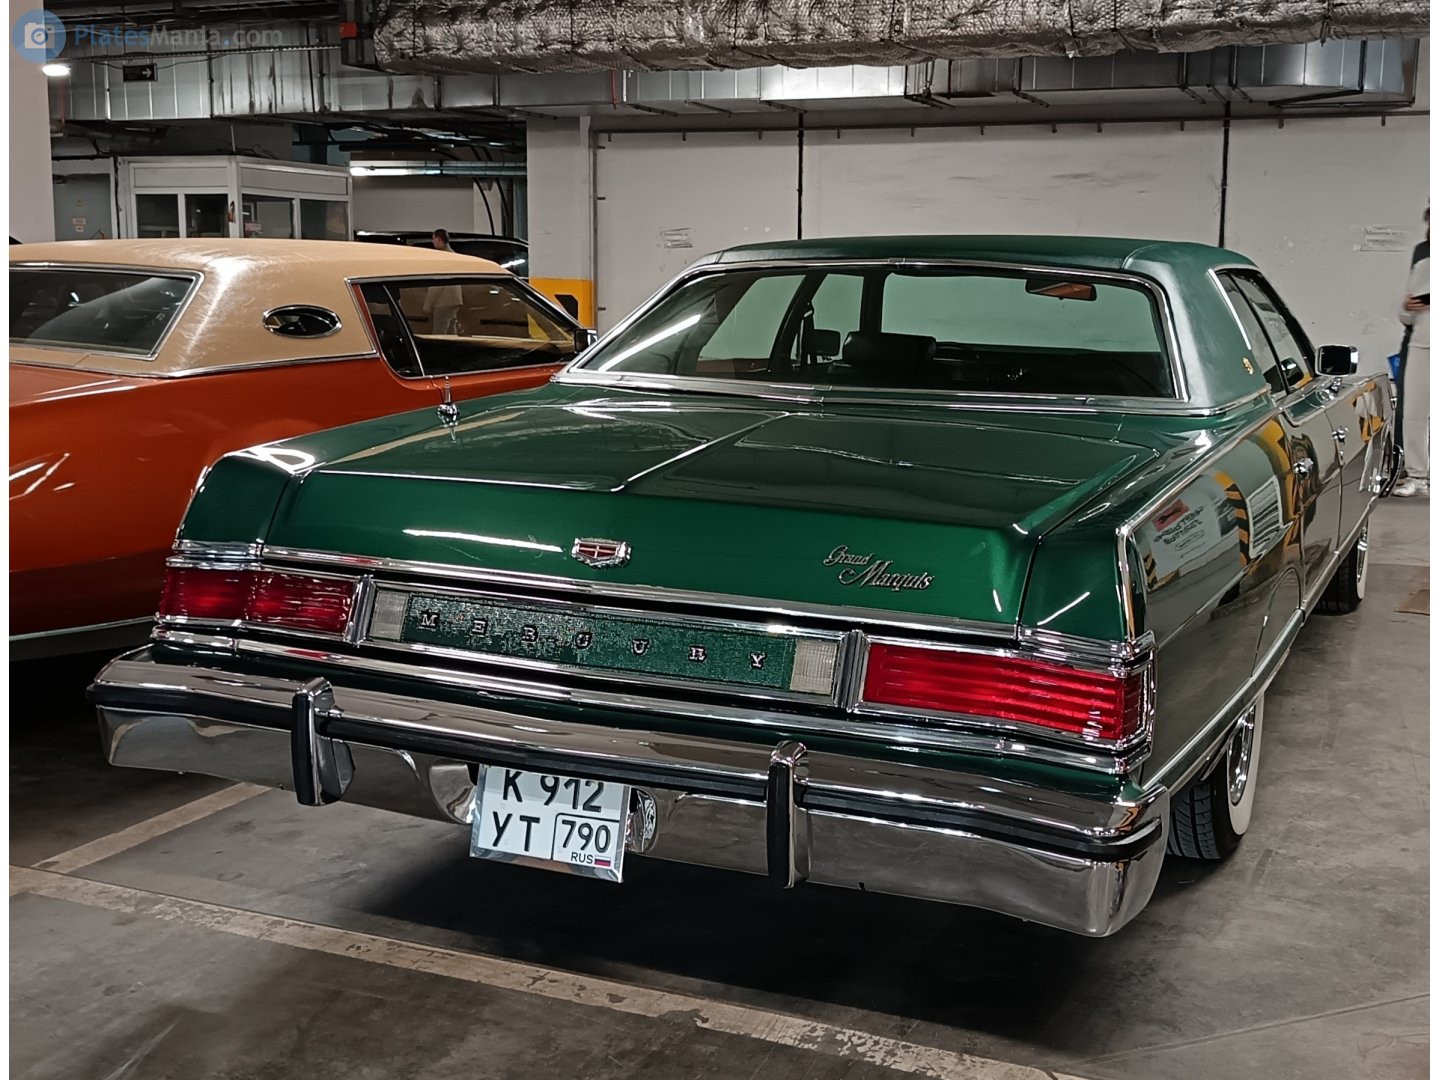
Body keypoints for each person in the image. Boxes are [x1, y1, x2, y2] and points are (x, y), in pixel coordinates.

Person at [1393, 207, 1429, 497]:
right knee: (1414, 411)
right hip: (1422, 341)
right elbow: (1406, 314)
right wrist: (1408, 308)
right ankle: (1418, 476)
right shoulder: (1423, 255)